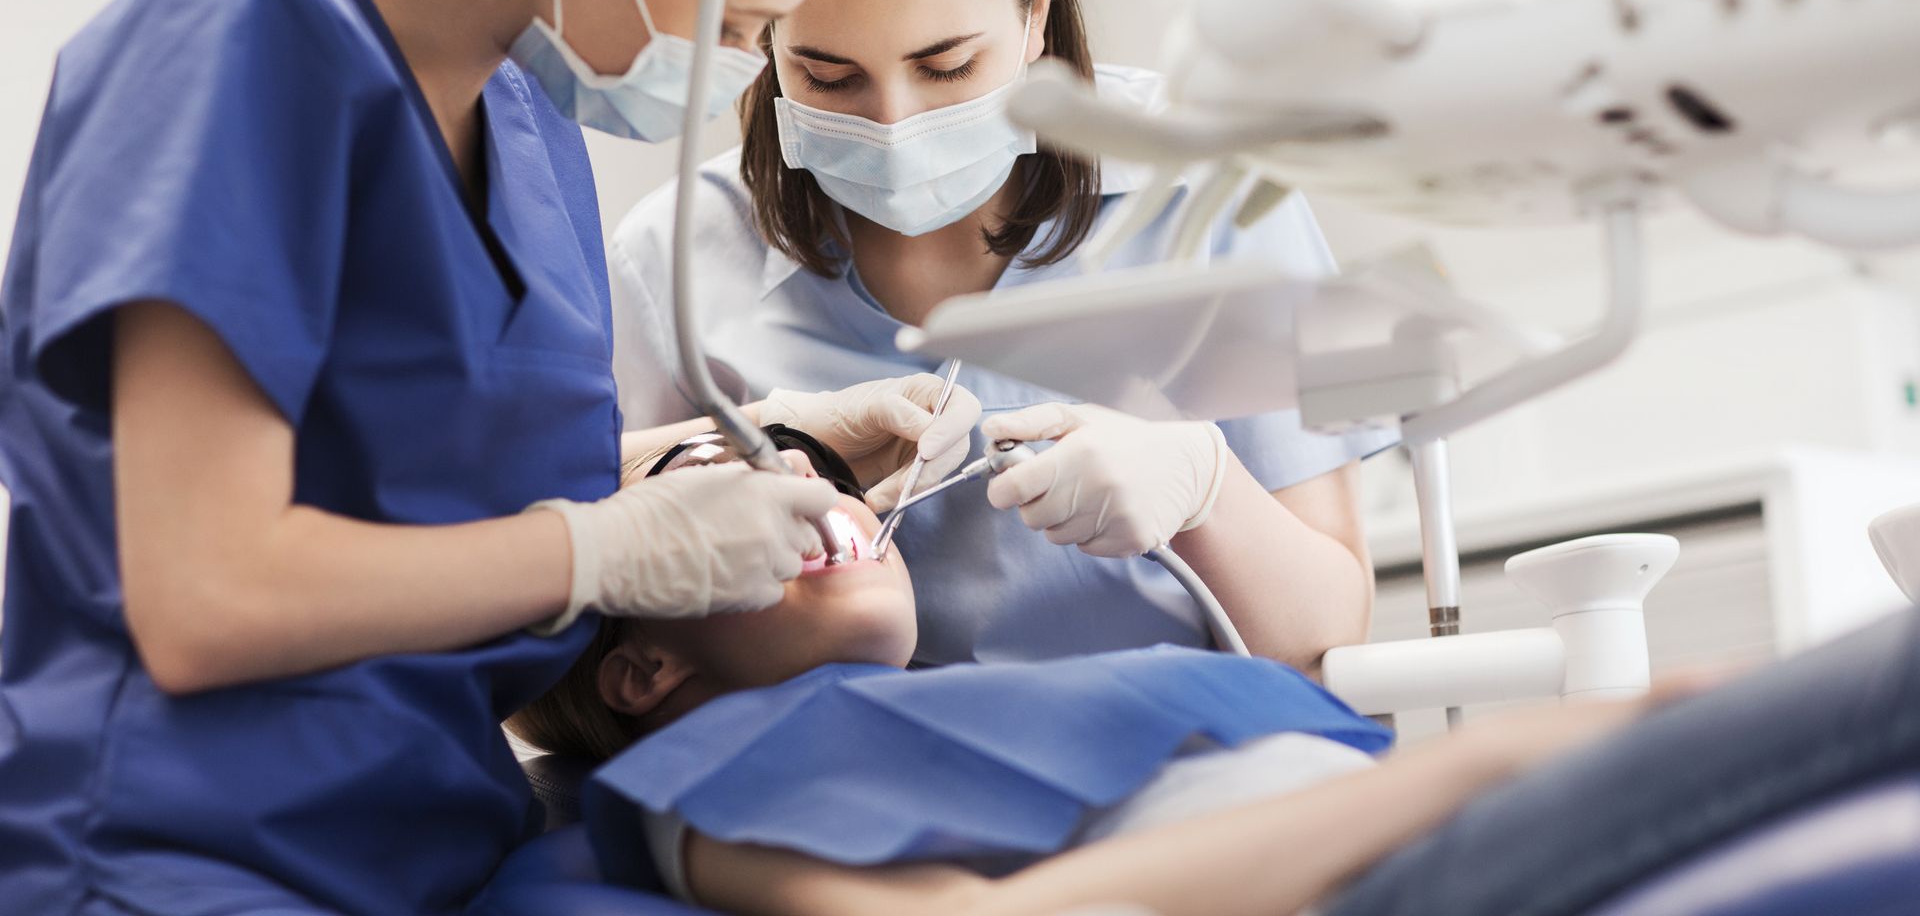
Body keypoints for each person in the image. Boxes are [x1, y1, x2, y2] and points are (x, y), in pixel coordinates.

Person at [0, 0, 980, 913]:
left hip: (432, 846)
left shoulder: (526, 121)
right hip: (177, 846)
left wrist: (769, 443)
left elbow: (424, 477)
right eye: (737, 26)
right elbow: (207, 592)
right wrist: (605, 548)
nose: (739, 66)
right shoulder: (245, 42)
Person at [608, 0, 1392, 671]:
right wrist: (762, 450)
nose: (894, 124)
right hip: (857, 782)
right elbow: (593, 628)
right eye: (828, 75)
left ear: (1038, 8)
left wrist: (1207, 489)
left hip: (1189, 757)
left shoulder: (1214, 193)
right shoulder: (672, 262)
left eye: (946, 67)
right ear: (762, 34)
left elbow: (1330, 637)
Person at [512, 468, 1920, 916]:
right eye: (715, 497)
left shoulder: (933, 701)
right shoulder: (691, 781)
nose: (784, 480)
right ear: (645, 667)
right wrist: (1475, 769)